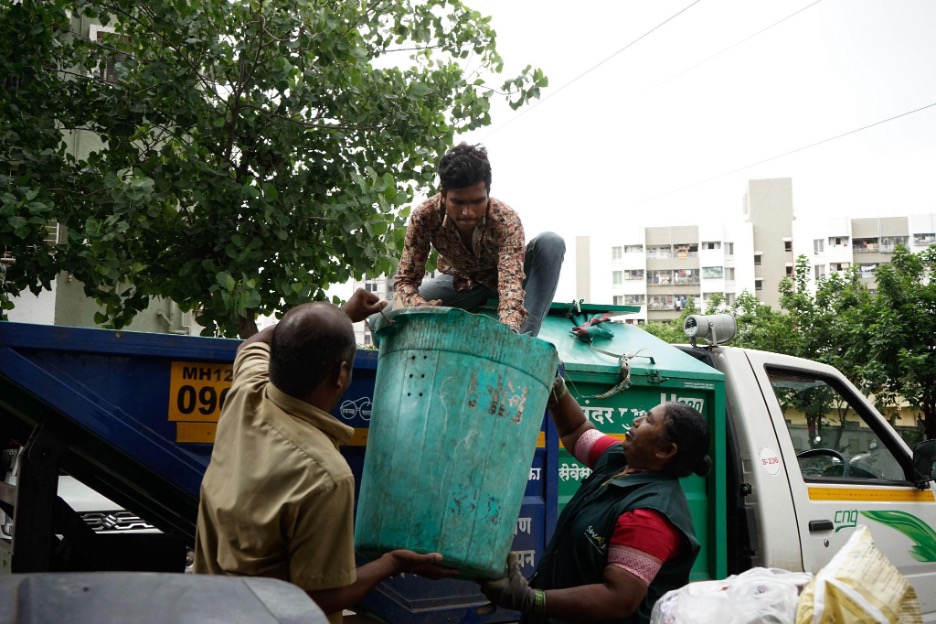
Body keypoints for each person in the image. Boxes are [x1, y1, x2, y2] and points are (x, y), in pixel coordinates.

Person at [194, 289, 457, 623]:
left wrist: (340, 315)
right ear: (341, 374)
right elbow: (318, 597)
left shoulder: (247, 393)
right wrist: (393, 564)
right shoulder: (325, 476)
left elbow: (253, 343)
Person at [480, 378, 712, 623]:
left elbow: (619, 599)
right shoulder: (620, 461)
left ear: (665, 450)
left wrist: (533, 599)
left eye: (648, 420)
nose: (636, 421)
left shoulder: (649, 516)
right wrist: (557, 389)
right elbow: (576, 431)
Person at [391, 142, 565, 337]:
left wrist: (508, 332)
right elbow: (406, 281)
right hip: (461, 283)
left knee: (551, 242)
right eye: (458, 202)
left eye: (477, 202)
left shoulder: (506, 220)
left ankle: (523, 343)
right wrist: (419, 306)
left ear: (488, 194)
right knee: (380, 320)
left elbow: (510, 285)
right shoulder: (425, 216)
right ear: (443, 195)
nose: (468, 213)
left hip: (508, 282)